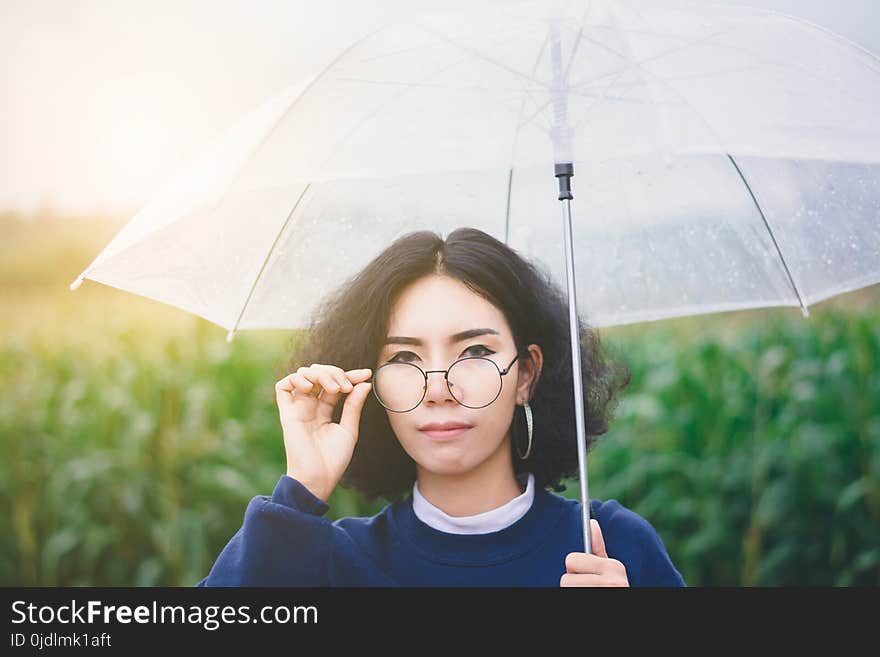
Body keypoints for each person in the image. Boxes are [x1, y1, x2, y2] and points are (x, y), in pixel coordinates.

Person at [196, 227, 685, 587]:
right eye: (405, 357)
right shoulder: (326, 562)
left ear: (527, 375)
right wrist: (300, 490)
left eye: (474, 353)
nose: (439, 389)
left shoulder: (611, 547)